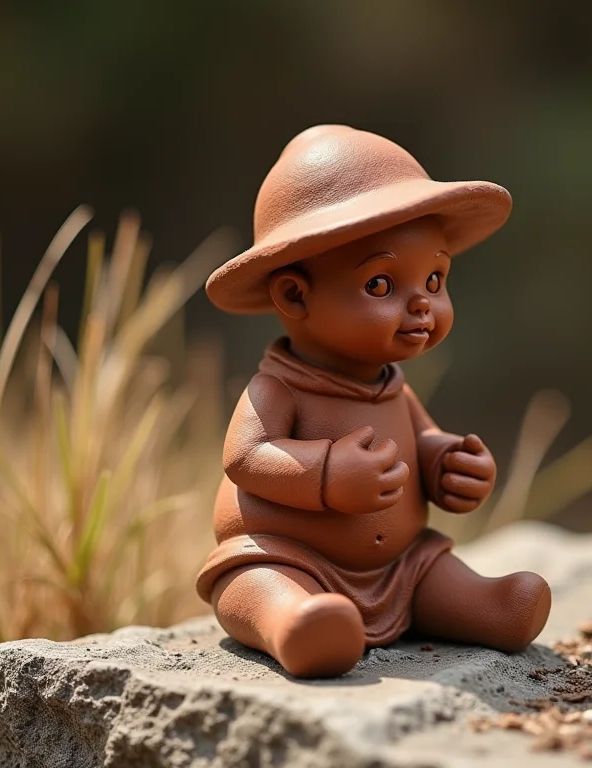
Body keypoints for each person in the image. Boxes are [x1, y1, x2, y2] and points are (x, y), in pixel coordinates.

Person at [195, 125, 551, 678]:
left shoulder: (393, 386)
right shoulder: (277, 388)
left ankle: (490, 610)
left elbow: (422, 439)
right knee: (252, 584)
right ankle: (297, 624)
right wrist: (328, 472)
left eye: (435, 279)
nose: (423, 306)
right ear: (295, 294)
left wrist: (445, 463)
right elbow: (245, 459)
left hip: (398, 565)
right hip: (290, 556)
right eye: (381, 286)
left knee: (434, 568)